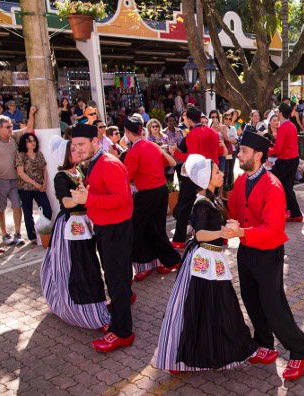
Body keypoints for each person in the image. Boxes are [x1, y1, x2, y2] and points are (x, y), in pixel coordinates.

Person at [222, 131, 304, 381]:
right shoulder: (241, 180)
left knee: (273, 306)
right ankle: (263, 343)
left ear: (258, 155)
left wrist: (241, 231)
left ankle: (302, 350)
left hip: (268, 253)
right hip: (246, 249)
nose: (238, 154)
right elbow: (232, 210)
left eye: (243, 151)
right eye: (240, 150)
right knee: (251, 300)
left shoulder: (273, 186)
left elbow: (272, 228)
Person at [156, 154, 258, 373]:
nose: (222, 174)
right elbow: (201, 234)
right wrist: (223, 231)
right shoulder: (202, 203)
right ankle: (190, 354)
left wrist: (228, 224)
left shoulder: (212, 199)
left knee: (215, 303)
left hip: (212, 258)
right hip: (203, 259)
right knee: (201, 304)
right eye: (217, 172)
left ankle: (219, 348)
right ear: (206, 179)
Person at [69, 123, 135, 352]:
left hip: (115, 228)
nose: (77, 149)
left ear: (95, 142)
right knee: (117, 277)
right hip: (107, 226)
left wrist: (88, 200)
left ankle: (123, 332)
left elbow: (122, 198)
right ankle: (121, 304)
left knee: (116, 278)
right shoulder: (95, 162)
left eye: (81, 144)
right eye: (74, 146)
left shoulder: (108, 163)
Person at [40, 137, 109, 332]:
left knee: (90, 264)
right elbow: (66, 202)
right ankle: (86, 312)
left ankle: (96, 307)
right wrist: (82, 198)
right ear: (64, 156)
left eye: (78, 147)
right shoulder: (61, 177)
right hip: (70, 227)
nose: (78, 151)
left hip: (85, 224)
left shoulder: (81, 171)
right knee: (79, 267)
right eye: (73, 149)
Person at [122, 116, 181, 281]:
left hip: (148, 193)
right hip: (160, 191)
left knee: (136, 229)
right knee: (154, 228)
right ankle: (161, 261)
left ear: (127, 132)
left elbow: (126, 177)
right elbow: (169, 162)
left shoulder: (134, 151)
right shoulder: (151, 145)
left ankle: (149, 264)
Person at [169, 106, 226, 249]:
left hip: (196, 174)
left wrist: (175, 154)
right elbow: (220, 151)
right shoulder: (213, 132)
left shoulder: (192, 134)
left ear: (189, 120)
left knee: (184, 206)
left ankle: (179, 239)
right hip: (212, 173)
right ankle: (221, 235)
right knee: (214, 203)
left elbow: (192, 159)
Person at [0, 109, 36, 246]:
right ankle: (4, 234)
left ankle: (17, 233)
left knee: (17, 206)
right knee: (0, 208)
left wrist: (31, 114)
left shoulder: (14, 136)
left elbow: (29, 129)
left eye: (11, 126)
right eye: (8, 126)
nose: (11, 128)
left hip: (15, 179)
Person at [16, 133, 52, 245]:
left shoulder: (39, 154)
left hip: (40, 187)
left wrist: (44, 183)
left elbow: (44, 169)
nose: (32, 143)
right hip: (25, 187)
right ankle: (32, 236)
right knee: (28, 212)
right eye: (29, 141)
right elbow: (21, 173)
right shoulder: (21, 155)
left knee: (47, 209)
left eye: (34, 140)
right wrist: (35, 184)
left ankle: (45, 232)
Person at [270, 103, 304, 222]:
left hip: (285, 160)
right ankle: (295, 213)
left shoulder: (283, 127)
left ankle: (273, 211)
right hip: (293, 159)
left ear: (280, 113)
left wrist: (265, 151)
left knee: (269, 182)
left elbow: (278, 149)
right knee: (287, 187)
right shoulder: (292, 126)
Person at [220, 111, 239, 188]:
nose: (228, 120)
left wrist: (229, 139)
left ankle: (231, 187)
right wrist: (229, 139)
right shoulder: (221, 128)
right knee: (225, 170)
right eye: (226, 118)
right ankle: (224, 187)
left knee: (231, 170)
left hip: (232, 150)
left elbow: (236, 140)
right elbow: (226, 138)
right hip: (224, 151)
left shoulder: (233, 128)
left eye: (229, 119)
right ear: (223, 119)